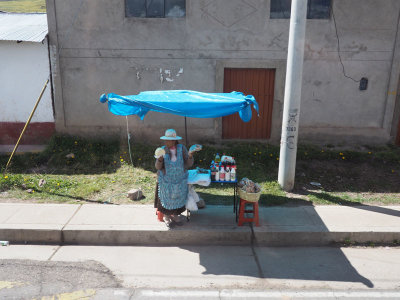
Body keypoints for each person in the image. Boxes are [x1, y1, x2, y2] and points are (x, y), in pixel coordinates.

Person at [154, 129, 195, 227]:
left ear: (174, 141)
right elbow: (158, 167)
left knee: (178, 198)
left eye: (168, 140)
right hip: (167, 180)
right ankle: (167, 216)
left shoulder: (182, 148)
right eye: (166, 140)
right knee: (167, 198)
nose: (166, 142)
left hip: (179, 180)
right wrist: (159, 160)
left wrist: (190, 156)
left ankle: (176, 215)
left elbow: (189, 164)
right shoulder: (162, 150)